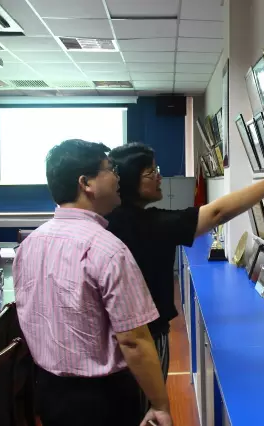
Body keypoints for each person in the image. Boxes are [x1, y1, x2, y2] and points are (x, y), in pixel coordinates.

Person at [106, 143, 264, 408]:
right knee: (148, 408)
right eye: (151, 172)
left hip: (114, 338)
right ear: (129, 179)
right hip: (145, 338)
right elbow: (217, 213)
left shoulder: (108, 220)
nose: (160, 177)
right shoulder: (147, 224)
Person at [13, 139, 173, 426]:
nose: (118, 177)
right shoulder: (107, 249)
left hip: (48, 392)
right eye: (110, 169)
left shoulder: (29, 245)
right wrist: (160, 405)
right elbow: (133, 340)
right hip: (102, 400)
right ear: (85, 183)